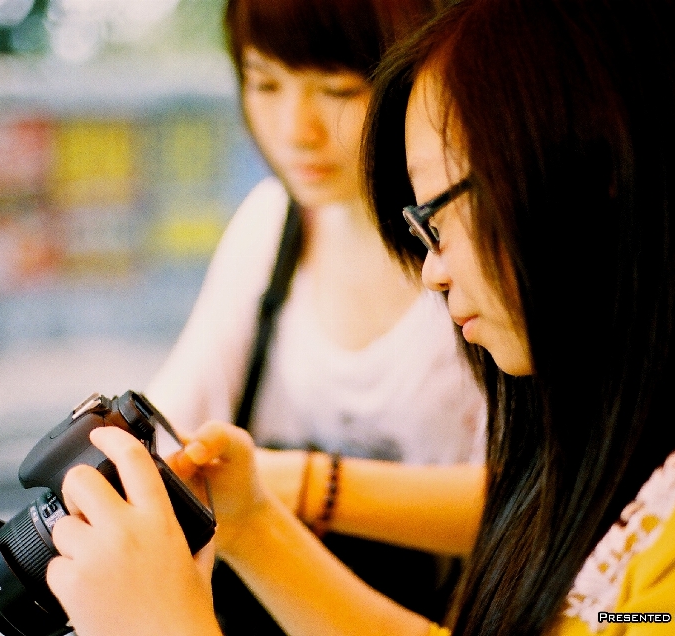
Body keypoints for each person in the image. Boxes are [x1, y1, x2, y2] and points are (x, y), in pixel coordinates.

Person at [45, 0, 675, 635]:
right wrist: (254, 525)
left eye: (438, 220)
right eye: (264, 84)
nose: (432, 271)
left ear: (595, 169)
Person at [142, 0, 486, 631]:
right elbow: (175, 415)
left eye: (337, 89)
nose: (296, 128)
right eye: (265, 83)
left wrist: (287, 486)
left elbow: (527, 503)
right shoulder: (270, 225)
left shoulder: (476, 255)